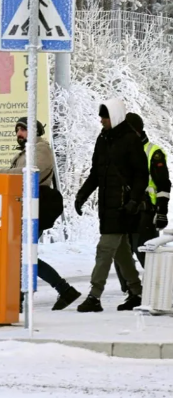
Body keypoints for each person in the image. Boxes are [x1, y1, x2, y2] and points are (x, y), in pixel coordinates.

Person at [0, 117, 81, 310]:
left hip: (35, 209)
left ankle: (25, 299)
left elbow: (28, 174)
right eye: (17, 131)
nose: (18, 135)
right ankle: (60, 291)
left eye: (22, 130)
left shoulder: (41, 150)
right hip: (25, 210)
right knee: (22, 254)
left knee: (22, 255)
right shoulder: (26, 152)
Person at [75, 98, 148, 312]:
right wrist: (82, 194)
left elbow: (141, 174)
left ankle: (94, 295)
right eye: (101, 116)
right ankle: (136, 291)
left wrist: (134, 200)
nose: (101, 121)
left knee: (105, 248)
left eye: (105, 116)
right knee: (121, 251)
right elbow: (96, 173)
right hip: (107, 206)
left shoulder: (130, 139)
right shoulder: (103, 139)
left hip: (124, 206)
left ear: (115, 116)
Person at [115, 113, 170, 294]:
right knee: (120, 252)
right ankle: (133, 291)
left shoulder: (153, 152)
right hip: (124, 212)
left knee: (144, 252)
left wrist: (162, 211)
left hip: (145, 212)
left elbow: (163, 185)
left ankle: (161, 289)